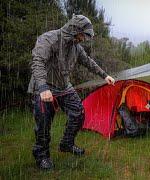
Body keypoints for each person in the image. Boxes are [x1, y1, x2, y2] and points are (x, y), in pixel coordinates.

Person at [27, 15, 115, 170]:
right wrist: (42, 87)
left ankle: (66, 143)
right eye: (83, 35)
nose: (83, 39)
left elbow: (88, 61)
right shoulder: (50, 39)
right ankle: (42, 156)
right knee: (43, 123)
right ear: (74, 30)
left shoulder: (75, 46)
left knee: (78, 112)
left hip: (64, 86)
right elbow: (37, 62)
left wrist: (104, 75)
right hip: (44, 86)